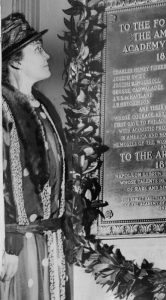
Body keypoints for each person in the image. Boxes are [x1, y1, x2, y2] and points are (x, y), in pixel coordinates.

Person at [0, 13, 73, 300]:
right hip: (17, 247)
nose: (47, 56)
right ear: (16, 61)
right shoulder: (3, 110)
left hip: (50, 243)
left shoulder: (42, 108)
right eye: (37, 50)